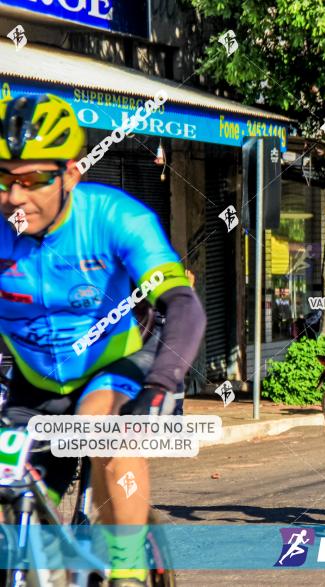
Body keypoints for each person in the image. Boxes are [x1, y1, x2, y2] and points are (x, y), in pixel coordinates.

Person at [0, 94, 206, 586]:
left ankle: (129, 571)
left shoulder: (114, 217)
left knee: (100, 427)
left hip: (111, 365)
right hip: (31, 378)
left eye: (33, 180)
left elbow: (184, 305)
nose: (15, 197)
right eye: (5, 179)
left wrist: (160, 384)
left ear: (70, 173)